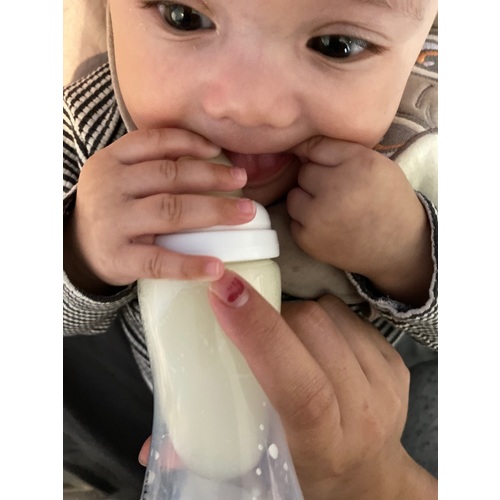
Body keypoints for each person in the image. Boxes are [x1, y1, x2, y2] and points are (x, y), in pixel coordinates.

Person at [63, 0, 438, 496]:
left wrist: (410, 254)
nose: (246, 104)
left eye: (336, 46)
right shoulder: (95, 132)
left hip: (374, 416)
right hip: (172, 405)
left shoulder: (429, 143)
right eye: (184, 17)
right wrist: (79, 249)